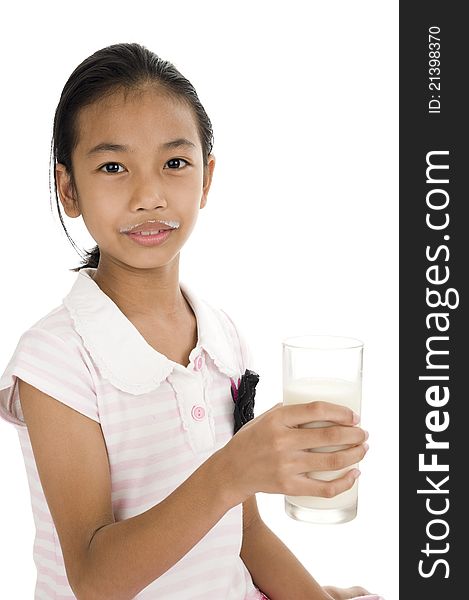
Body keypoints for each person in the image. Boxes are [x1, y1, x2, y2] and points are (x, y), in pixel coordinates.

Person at [0, 42, 378, 600]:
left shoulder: (223, 338)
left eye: (175, 163)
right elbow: (94, 580)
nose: (149, 194)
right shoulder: (55, 359)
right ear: (68, 189)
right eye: (112, 166)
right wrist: (231, 471)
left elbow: (244, 534)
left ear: (206, 178)